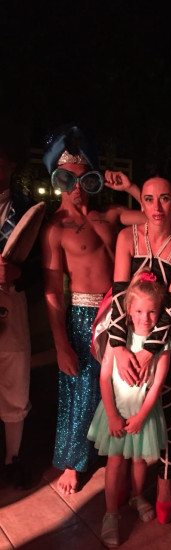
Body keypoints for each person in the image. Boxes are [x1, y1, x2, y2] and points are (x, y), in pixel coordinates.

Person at [41, 124, 146, 495]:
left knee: (122, 386)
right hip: (82, 314)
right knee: (80, 388)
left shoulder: (111, 214)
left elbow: (155, 217)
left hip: (119, 310)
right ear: (56, 180)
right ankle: (73, 461)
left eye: (83, 179)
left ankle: (113, 449)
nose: (75, 188)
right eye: (66, 179)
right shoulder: (55, 228)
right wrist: (60, 345)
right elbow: (53, 292)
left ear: (94, 179)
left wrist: (131, 188)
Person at [107, 172, 171, 523]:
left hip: (162, 344)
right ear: (140, 202)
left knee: (166, 415)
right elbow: (118, 296)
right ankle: (126, 488)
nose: (156, 206)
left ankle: (164, 487)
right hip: (127, 338)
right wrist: (119, 347)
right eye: (148, 198)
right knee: (125, 410)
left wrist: (150, 351)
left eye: (164, 198)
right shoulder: (127, 238)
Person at [88, 269, 171, 548]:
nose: (144, 318)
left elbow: (157, 385)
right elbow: (104, 378)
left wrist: (141, 417)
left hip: (143, 415)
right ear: (128, 310)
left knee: (139, 461)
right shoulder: (118, 339)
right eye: (138, 311)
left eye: (151, 312)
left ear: (160, 311)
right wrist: (112, 415)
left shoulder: (163, 344)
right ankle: (111, 513)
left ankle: (137, 496)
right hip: (115, 413)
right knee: (114, 463)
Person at [0, 135, 38, 489]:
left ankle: (13, 458)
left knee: (15, 384)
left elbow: (42, 267)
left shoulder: (28, 209)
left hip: (12, 304)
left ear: (11, 163)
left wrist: (18, 274)